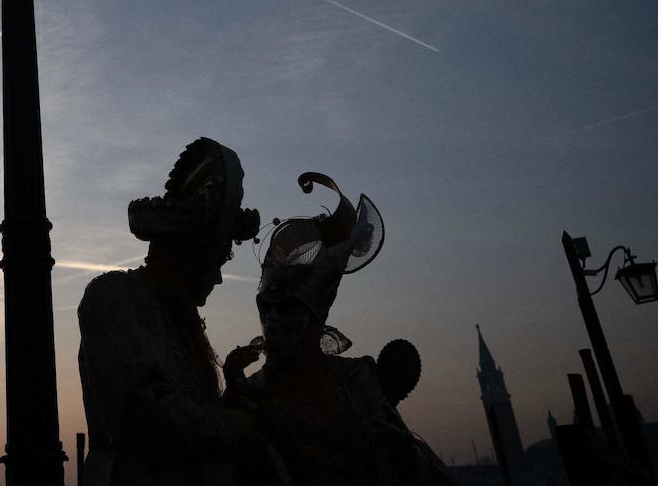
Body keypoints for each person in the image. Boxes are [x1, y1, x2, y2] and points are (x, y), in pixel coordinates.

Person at [223, 172, 453, 486]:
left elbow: (416, 470)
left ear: (316, 315)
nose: (273, 319)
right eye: (266, 307)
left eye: (288, 307)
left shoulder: (357, 382)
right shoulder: (251, 393)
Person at [77, 137, 262, 486]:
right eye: (216, 262)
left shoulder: (178, 319)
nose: (218, 279)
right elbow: (147, 418)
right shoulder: (113, 298)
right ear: (189, 254)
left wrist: (231, 397)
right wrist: (234, 424)